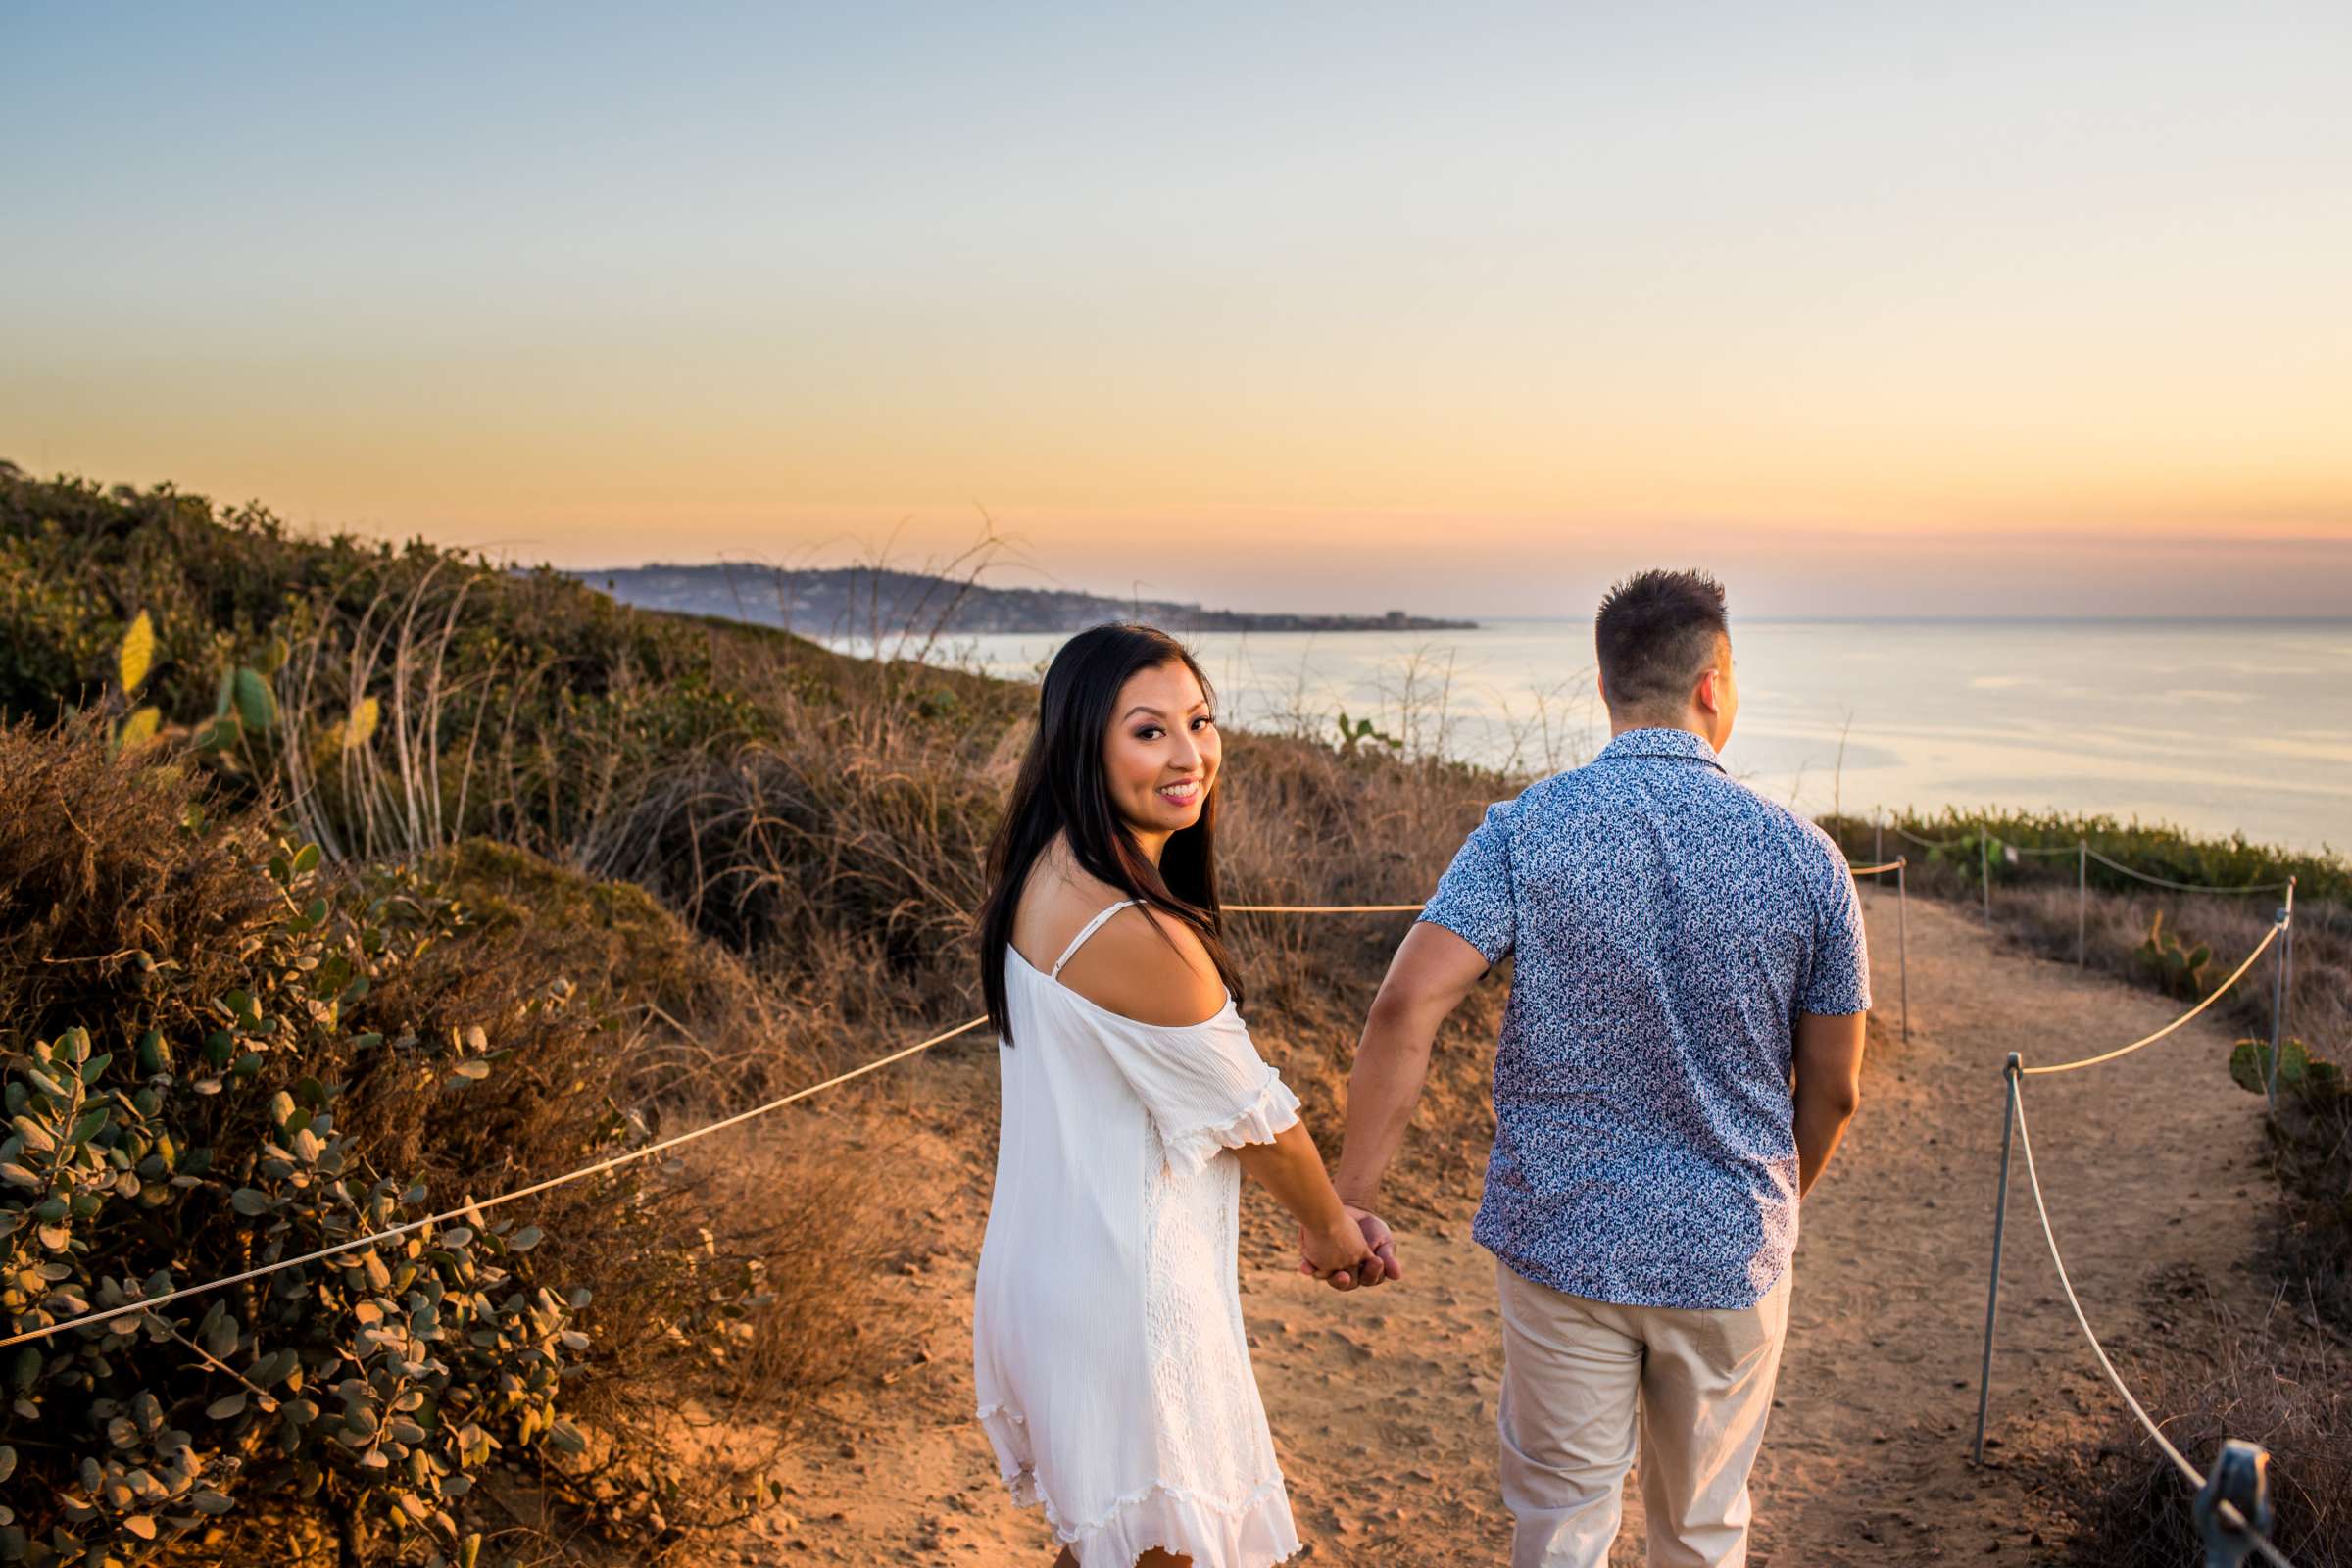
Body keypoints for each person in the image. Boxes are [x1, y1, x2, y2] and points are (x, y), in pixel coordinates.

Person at [1331, 569, 1870, 1568]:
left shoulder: (1527, 829)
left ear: (1606, 684)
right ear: (1714, 684)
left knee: (1563, 1526)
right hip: (1729, 1248)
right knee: (1703, 1527)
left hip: (1561, 1240)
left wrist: (1349, 1198)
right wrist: (1772, 1197)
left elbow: (1409, 1000)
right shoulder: (1808, 858)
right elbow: (1834, 1086)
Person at [972, 622, 1398, 1568]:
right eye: (1148, 731)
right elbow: (1259, 1122)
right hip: (1122, 1291)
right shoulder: (1135, 935)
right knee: (1168, 1546)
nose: (1188, 755)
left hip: (1061, 1262)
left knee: (1118, 1547)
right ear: (1086, 745)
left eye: (1199, 722)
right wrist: (1333, 1231)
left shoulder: (1047, 871)